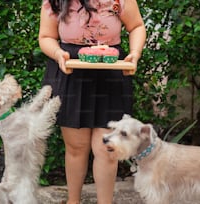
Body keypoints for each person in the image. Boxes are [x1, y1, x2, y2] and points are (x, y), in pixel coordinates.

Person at [38, 0, 146, 203]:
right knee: (76, 148)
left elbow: (136, 26)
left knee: (107, 148)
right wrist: (57, 53)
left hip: (111, 73)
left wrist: (135, 53)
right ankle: (73, 201)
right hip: (70, 71)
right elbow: (46, 37)